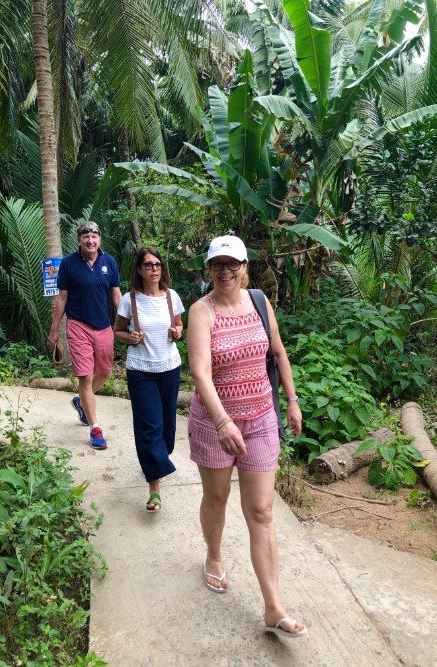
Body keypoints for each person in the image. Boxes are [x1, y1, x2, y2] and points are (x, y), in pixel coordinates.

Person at [186, 235, 307, 638]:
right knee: (217, 498)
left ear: (244, 266)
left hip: (260, 420)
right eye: (217, 264)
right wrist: (222, 422)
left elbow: (279, 352)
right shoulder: (201, 312)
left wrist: (290, 401)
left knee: (261, 512)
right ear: (209, 268)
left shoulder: (259, 301)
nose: (225, 271)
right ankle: (214, 555)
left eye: (232, 263)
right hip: (214, 424)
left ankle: (273, 607)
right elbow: (200, 372)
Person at [114, 247, 184, 512]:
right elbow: (117, 331)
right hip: (140, 370)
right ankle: (154, 489)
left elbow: (179, 326)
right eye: (149, 265)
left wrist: (177, 332)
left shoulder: (171, 297)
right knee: (148, 426)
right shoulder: (129, 300)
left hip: (169, 367)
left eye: (158, 265)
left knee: (166, 429)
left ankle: (157, 459)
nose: (154, 269)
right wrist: (129, 338)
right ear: (140, 270)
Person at [48, 222, 122, 449]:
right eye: (86, 236)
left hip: (104, 327)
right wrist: (54, 329)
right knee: (86, 377)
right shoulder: (69, 264)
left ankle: (81, 402)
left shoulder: (109, 262)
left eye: (94, 236)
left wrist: (130, 322)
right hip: (78, 325)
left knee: (105, 373)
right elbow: (62, 298)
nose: (90, 241)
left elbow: (117, 297)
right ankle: (95, 428)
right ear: (79, 240)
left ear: (100, 240)